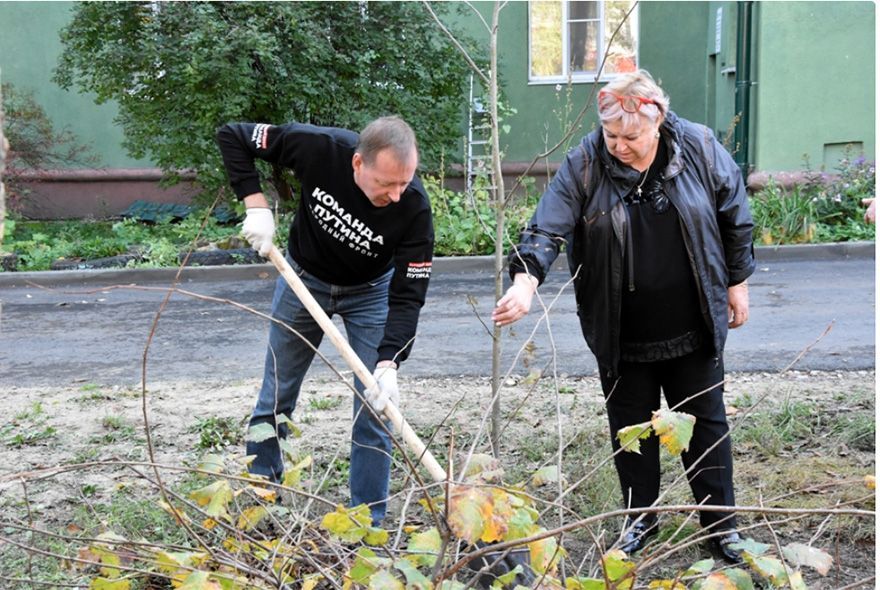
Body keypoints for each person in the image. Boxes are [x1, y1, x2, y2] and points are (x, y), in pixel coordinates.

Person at [492, 70, 755, 563]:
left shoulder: (697, 147)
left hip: (693, 322)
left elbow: (734, 214)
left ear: (657, 121)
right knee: (631, 429)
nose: (619, 146)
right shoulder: (586, 162)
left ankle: (721, 529)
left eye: (630, 136)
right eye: (612, 135)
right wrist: (525, 282)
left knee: (706, 424)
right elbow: (548, 224)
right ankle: (640, 521)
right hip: (620, 328)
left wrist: (737, 282)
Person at [216, 116, 433, 526]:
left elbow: (409, 296)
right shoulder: (317, 147)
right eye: (386, 184)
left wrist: (390, 363)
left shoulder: (415, 208)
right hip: (303, 281)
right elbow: (233, 136)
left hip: (371, 292)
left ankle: (368, 524)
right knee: (275, 396)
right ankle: (262, 503)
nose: (397, 194)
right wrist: (255, 204)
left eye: (404, 182)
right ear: (357, 164)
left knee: (375, 409)